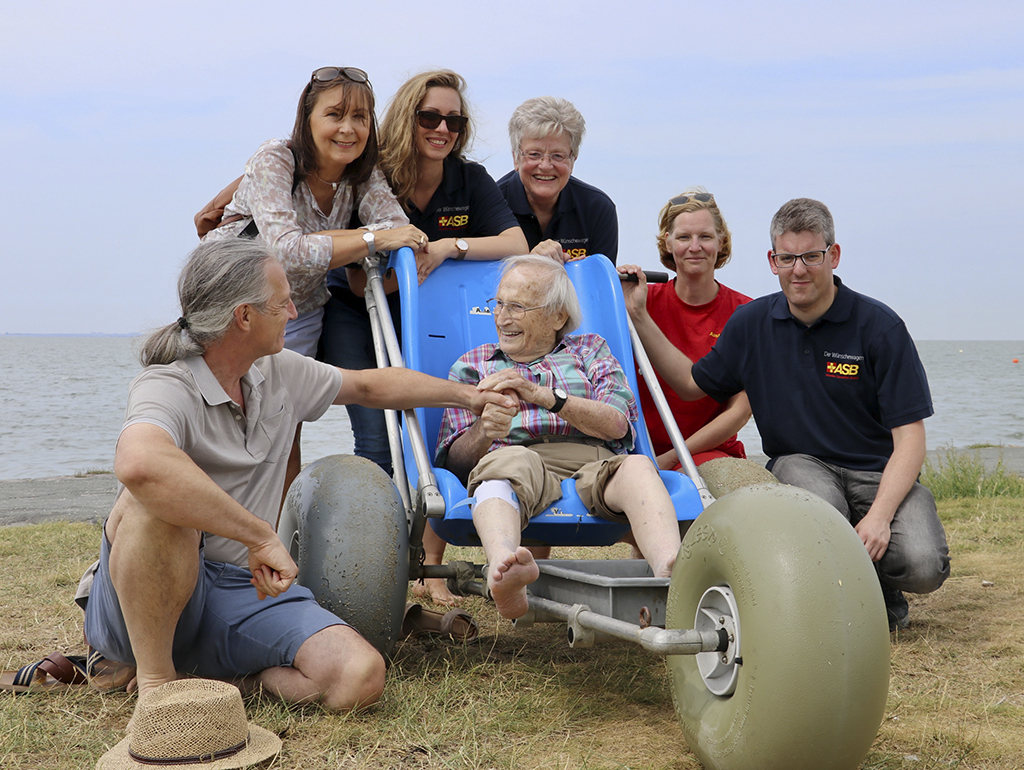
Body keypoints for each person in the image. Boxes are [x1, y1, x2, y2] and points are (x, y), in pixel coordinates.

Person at [81, 239, 512, 709]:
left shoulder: (276, 370)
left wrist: (470, 398)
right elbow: (139, 465)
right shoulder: (167, 383)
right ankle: (158, 683)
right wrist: (259, 537)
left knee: (359, 677)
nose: (293, 310)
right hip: (144, 598)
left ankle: (216, 683)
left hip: (240, 588)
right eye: (282, 301)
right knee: (154, 507)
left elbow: (369, 385)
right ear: (243, 316)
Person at [622, 198, 950, 630]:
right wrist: (640, 317)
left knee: (924, 565)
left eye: (812, 256)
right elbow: (690, 382)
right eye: (788, 258)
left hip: (876, 472)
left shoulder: (880, 327)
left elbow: (910, 439)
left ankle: (877, 580)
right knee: (820, 526)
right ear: (772, 260)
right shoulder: (751, 323)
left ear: (833, 255)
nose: (799, 269)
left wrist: (880, 516)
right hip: (802, 465)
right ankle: (854, 590)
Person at [327, 69, 528, 604]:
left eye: (454, 119)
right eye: (429, 117)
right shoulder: (376, 177)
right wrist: (401, 269)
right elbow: (352, 273)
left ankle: (421, 569)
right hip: (361, 313)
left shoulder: (469, 178)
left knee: (434, 432)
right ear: (407, 118)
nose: (443, 128)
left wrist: (446, 247)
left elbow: (515, 239)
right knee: (377, 441)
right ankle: (369, 575)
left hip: (428, 323)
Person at [200, 66, 428, 495]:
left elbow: (402, 234)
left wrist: (374, 238)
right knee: (218, 424)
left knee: (283, 431)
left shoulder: (362, 174)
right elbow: (284, 250)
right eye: (335, 115)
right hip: (230, 307)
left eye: (360, 117)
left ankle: (277, 544)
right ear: (308, 118)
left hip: (296, 309)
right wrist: (369, 238)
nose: (348, 128)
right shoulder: (275, 158)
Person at [435, 255, 682, 619]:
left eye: (517, 307)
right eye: (499, 304)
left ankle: (671, 572)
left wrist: (541, 396)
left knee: (638, 467)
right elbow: (455, 463)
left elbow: (616, 424)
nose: (502, 317)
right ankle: (506, 568)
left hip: (595, 457)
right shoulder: (474, 364)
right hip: (516, 456)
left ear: (557, 317)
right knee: (498, 473)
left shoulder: (591, 350)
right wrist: (485, 431)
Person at [634, 190, 752, 471]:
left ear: (721, 241)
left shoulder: (746, 313)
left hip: (710, 452)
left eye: (706, 237)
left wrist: (673, 458)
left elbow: (740, 411)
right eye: (684, 237)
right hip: (640, 452)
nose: (695, 247)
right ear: (668, 242)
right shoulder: (639, 302)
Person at [496, 97, 618, 264]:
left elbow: (599, 286)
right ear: (516, 158)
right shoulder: (491, 205)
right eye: (534, 154)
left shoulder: (598, 209)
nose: (545, 166)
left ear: (573, 161)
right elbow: (481, 282)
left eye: (557, 156)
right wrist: (531, 263)